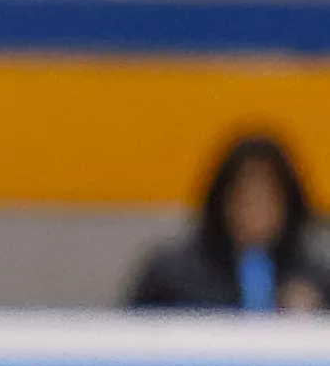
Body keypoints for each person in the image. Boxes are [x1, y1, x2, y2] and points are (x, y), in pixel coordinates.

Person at [125, 132, 330, 312]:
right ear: (221, 201)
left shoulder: (316, 280)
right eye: (244, 198)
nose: (256, 211)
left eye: (269, 198)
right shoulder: (171, 278)